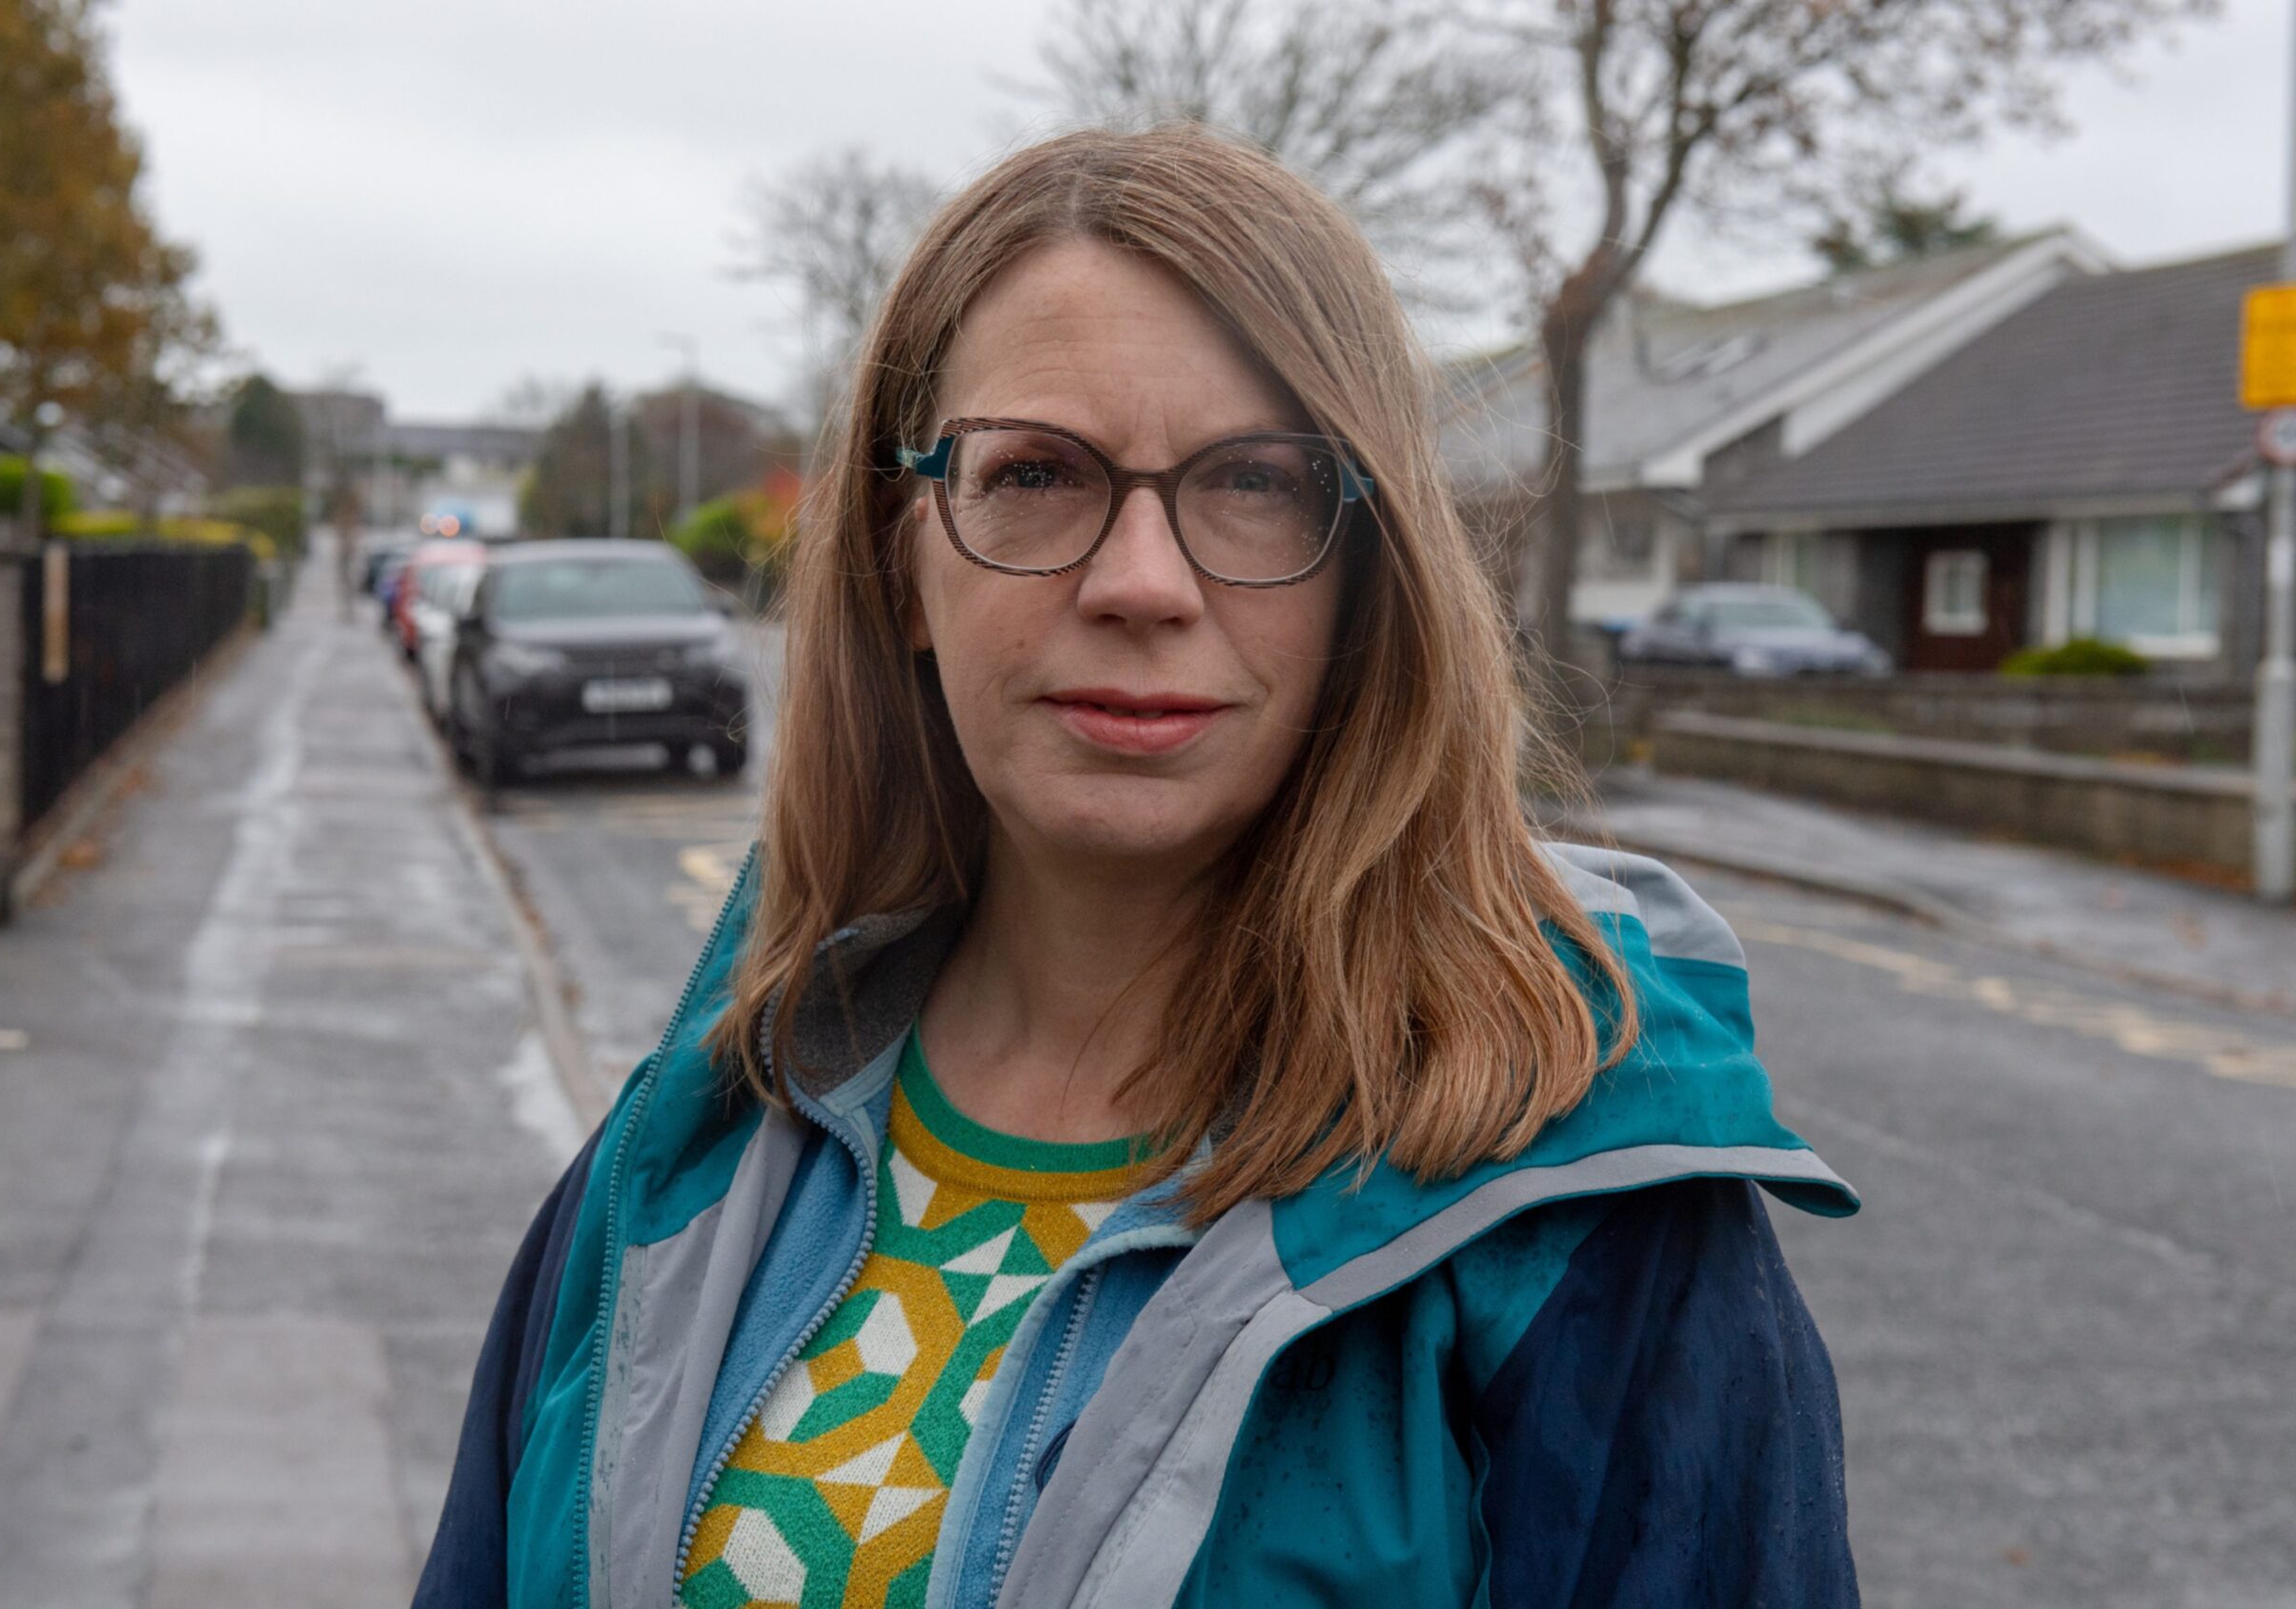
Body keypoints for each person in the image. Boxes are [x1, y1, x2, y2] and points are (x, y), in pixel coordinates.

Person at [417, 124, 1861, 1609]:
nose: (1142, 585)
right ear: (906, 549)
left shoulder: (1584, 1201)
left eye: (1253, 481)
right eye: (1037, 472)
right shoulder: (707, 1121)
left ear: (1369, 570)